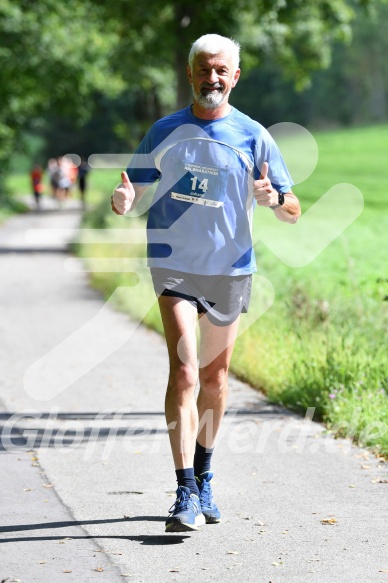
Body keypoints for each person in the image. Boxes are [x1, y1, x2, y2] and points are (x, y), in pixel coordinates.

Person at [112, 34, 301, 533]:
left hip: (231, 270)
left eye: (221, 70)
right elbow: (132, 184)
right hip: (174, 266)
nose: (212, 78)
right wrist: (123, 198)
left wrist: (274, 199)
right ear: (190, 73)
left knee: (216, 382)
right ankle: (183, 491)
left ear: (234, 77)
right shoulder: (164, 130)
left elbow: (293, 210)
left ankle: (204, 474)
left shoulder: (255, 136)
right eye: (203, 69)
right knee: (186, 375)